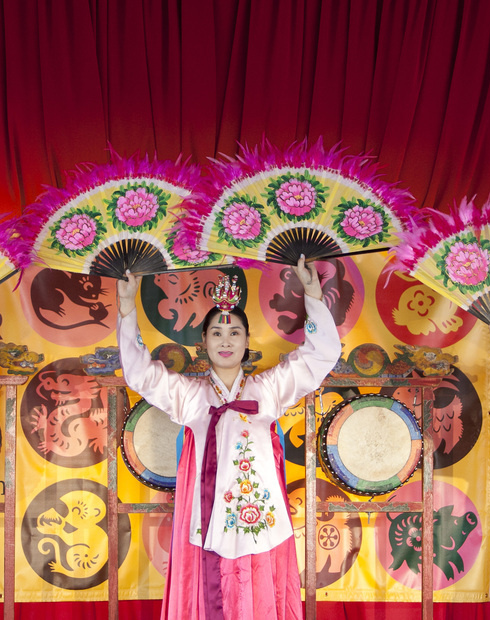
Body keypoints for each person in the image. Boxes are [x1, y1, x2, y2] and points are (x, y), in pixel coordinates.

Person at [117, 257, 341, 620]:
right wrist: (127, 309)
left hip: (259, 521)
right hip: (208, 522)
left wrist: (313, 295)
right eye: (217, 334)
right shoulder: (189, 397)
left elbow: (321, 356)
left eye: (235, 332)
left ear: (247, 341)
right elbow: (141, 374)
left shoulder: (268, 390)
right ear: (203, 341)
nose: (226, 341)